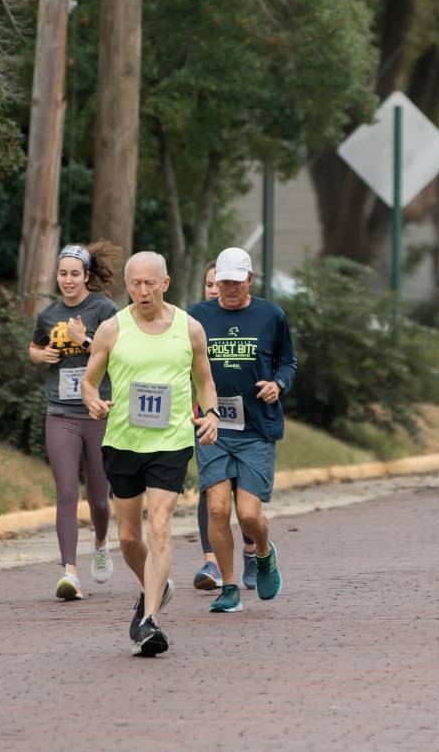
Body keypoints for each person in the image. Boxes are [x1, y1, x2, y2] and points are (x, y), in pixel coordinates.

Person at [80, 252, 220, 656]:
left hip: (171, 442)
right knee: (128, 537)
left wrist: (209, 414)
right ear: (127, 286)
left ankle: (151, 620)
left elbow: (205, 381)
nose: (143, 291)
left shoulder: (189, 329)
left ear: (166, 283)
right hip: (123, 441)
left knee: (159, 525)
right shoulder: (111, 329)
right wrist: (92, 401)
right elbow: (90, 382)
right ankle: (157, 584)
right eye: (135, 284)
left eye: (150, 283)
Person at [188, 247, 296, 613]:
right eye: (222, 283)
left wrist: (278, 384)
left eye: (236, 282)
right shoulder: (197, 316)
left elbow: (288, 362)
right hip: (213, 425)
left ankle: (264, 552)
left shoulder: (270, 315)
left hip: (256, 427)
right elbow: (179, 362)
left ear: (250, 280)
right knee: (217, 509)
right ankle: (229, 586)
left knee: (249, 515)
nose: (228, 289)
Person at [28, 242, 120, 600]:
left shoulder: (104, 308)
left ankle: (99, 543)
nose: (68, 280)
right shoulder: (49, 314)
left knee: (98, 497)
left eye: (75, 274)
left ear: (86, 277)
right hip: (60, 410)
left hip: (96, 411)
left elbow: (120, 351)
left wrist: (86, 341)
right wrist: (43, 354)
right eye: (63, 274)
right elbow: (34, 347)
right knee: (66, 491)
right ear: (57, 276)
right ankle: (69, 571)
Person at [191, 261, 257, 593]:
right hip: (207, 416)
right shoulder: (196, 318)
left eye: (222, 284)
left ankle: (250, 550)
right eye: (210, 284)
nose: (216, 290)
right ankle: (212, 561)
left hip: (248, 420)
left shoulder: (257, 317)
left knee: (242, 499)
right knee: (213, 494)